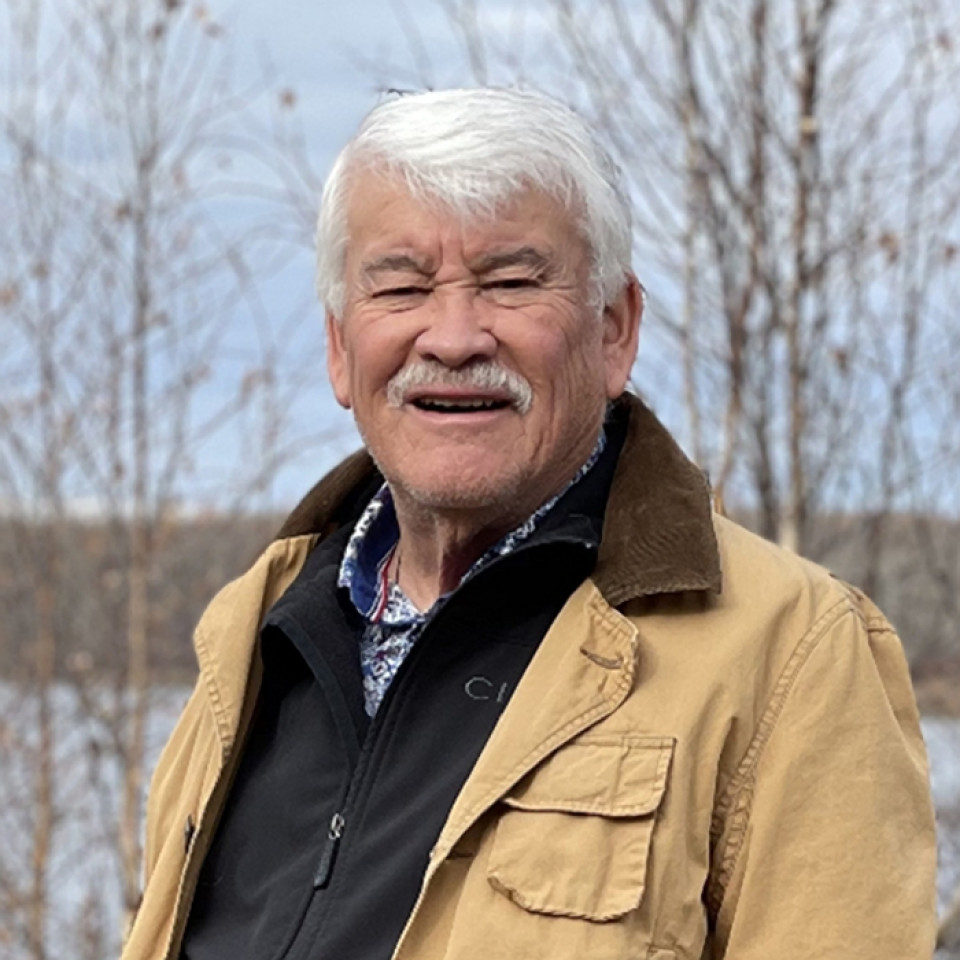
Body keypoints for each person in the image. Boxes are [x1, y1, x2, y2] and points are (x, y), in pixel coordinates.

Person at [122, 88, 937, 960]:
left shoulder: (793, 655)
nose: (454, 336)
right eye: (401, 285)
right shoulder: (253, 638)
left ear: (614, 330)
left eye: (510, 283)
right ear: (337, 348)